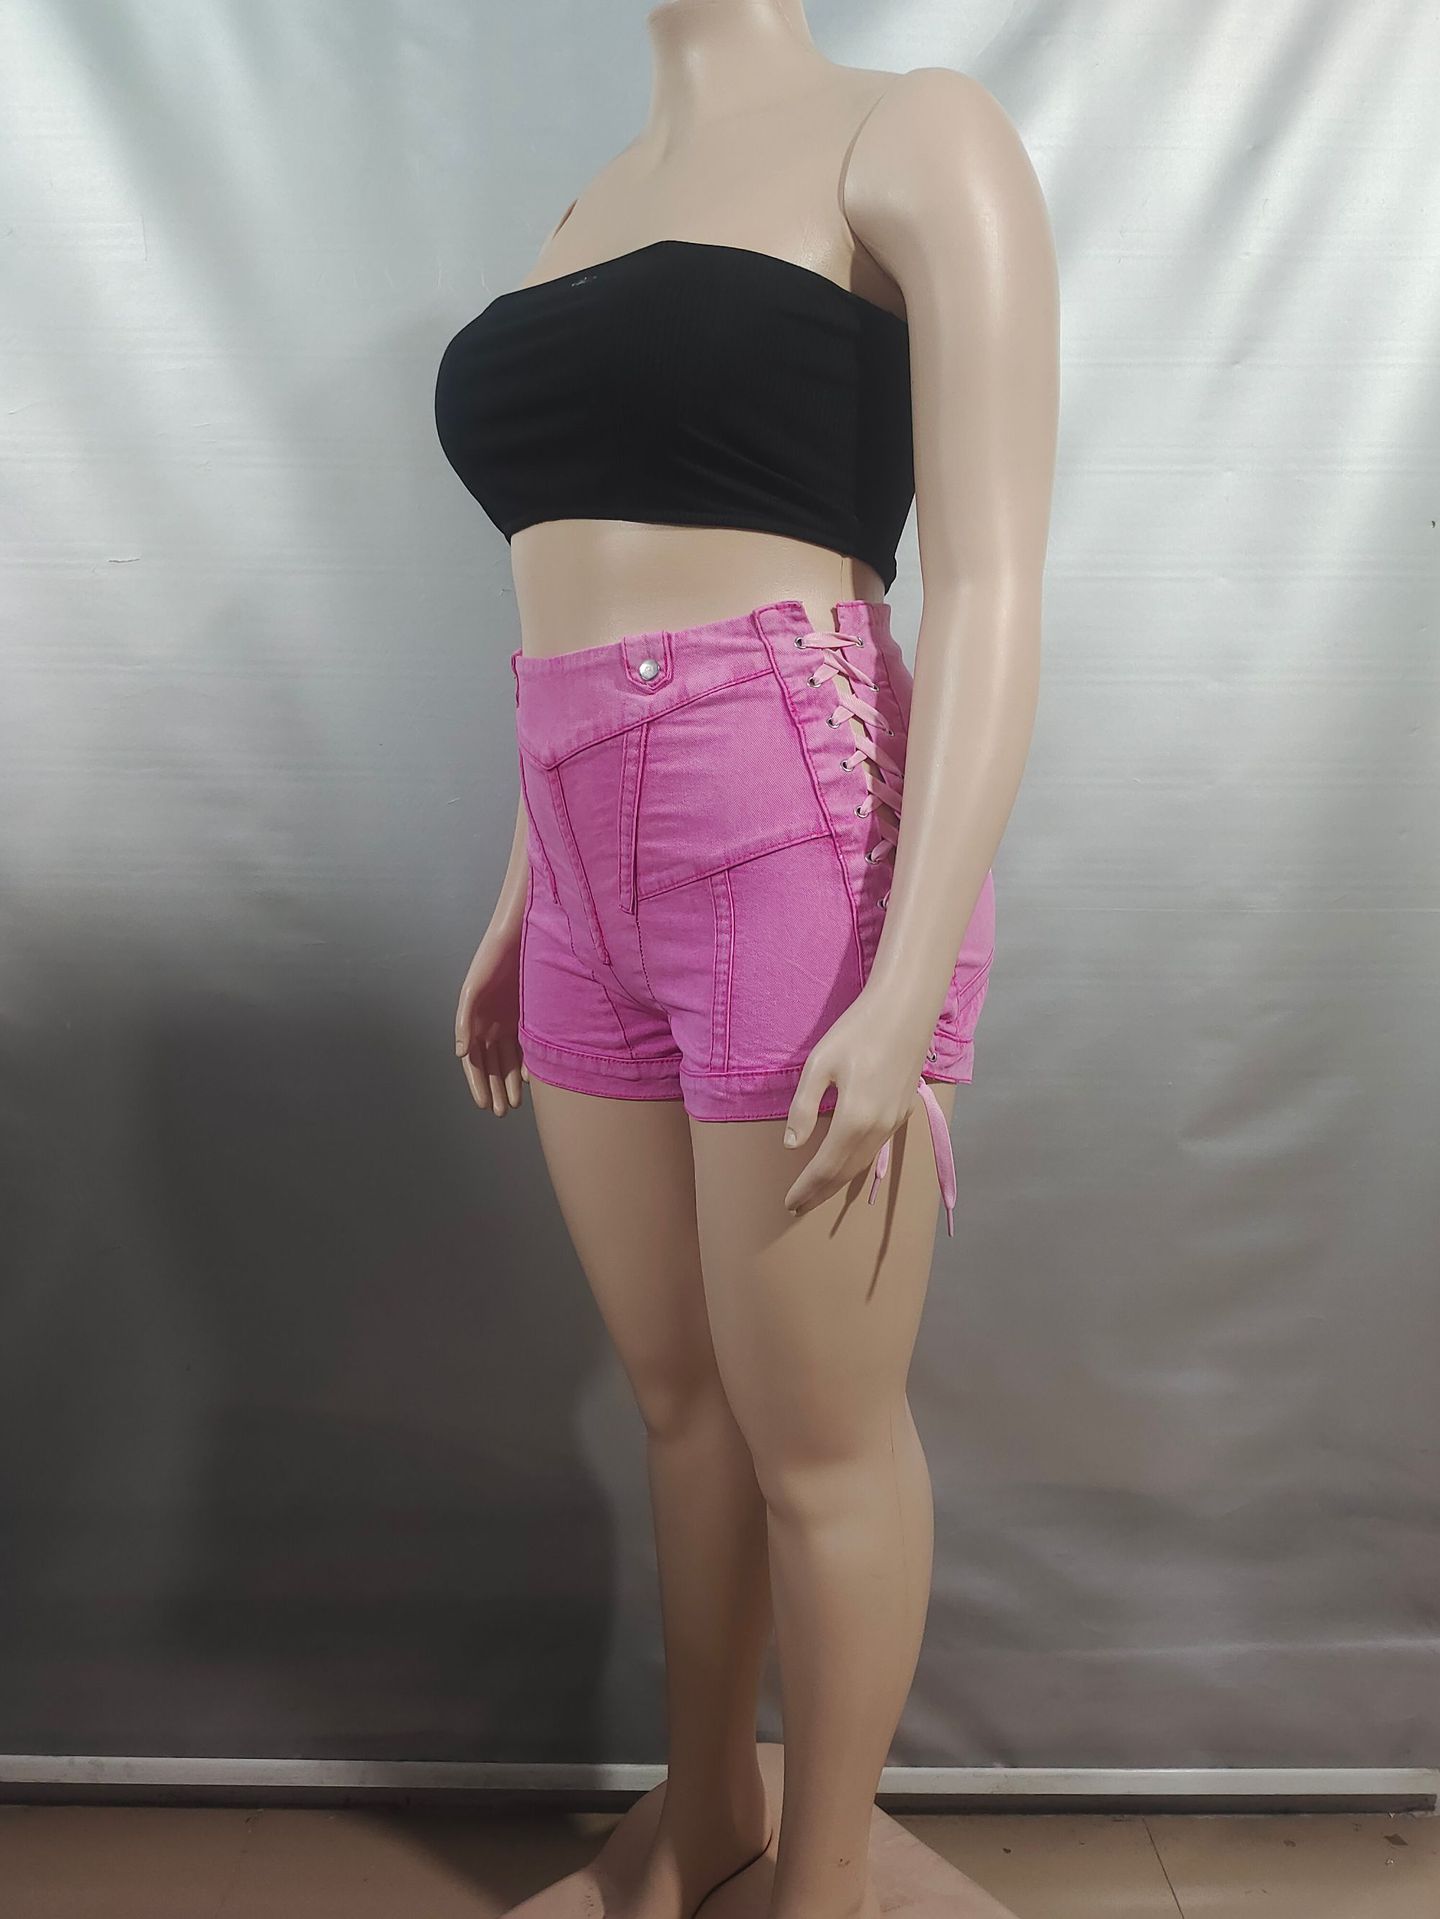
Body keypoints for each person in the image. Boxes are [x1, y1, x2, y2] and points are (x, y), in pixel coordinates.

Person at [435, 5, 1059, 1917]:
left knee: (819, 1441)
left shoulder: (915, 133)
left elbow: (996, 580)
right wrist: (526, 883)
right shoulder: (587, 209)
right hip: (576, 842)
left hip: (789, 809)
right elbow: (571, 589)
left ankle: (829, 1885)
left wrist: (913, 970)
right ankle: (705, 1814)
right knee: (681, 1405)